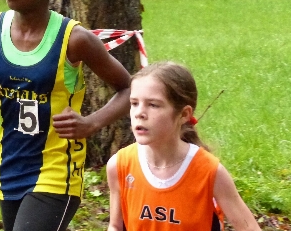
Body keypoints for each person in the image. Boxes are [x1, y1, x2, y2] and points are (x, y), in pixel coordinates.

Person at [0, 0, 132, 231]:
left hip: (57, 172)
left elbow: (128, 87)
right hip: (9, 168)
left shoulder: (74, 39)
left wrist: (91, 123)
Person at [106, 61, 260, 231]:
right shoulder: (119, 165)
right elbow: (115, 225)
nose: (139, 113)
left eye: (153, 105)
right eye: (134, 103)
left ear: (184, 114)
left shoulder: (209, 172)